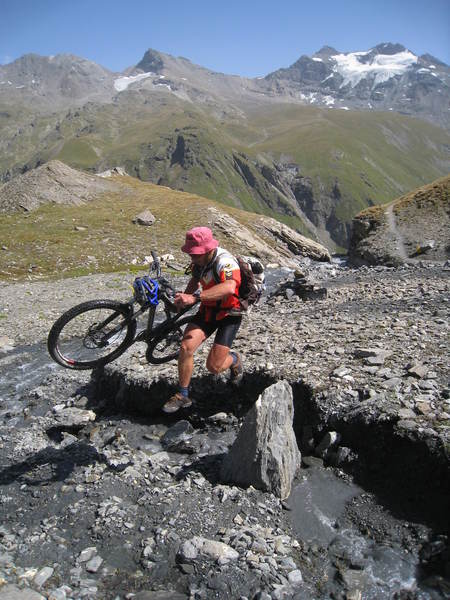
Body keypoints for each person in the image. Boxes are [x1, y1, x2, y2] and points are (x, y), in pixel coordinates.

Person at [162, 226, 243, 414]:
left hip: (229, 314)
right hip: (208, 309)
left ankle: (235, 359)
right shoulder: (198, 262)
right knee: (185, 347)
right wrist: (182, 300)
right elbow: (194, 281)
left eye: (196, 254)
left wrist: (196, 298)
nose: (192, 257)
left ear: (208, 250)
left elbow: (230, 287)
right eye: (191, 254)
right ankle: (183, 394)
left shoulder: (226, 262)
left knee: (214, 367)